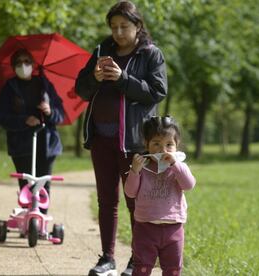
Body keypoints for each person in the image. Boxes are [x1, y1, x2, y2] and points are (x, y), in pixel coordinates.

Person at [75, 1, 168, 275]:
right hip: (101, 139)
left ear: (137, 26)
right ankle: (107, 258)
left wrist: (123, 78)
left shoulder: (151, 54)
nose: (118, 32)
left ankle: (136, 260)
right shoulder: (101, 51)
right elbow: (81, 89)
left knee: (135, 202)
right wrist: (93, 76)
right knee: (106, 200)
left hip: (134, 142)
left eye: (124, 27)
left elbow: (157, 92)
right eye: (114, 27)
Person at [124, 116, 196, 276]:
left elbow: (189, 185)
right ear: (146, 144)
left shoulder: (179, 166)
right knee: (141, 267)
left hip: (173, 228)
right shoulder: (143, 166)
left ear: (177, 146)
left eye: (169, 145)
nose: (162, 150)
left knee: (173, 269)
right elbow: (130, 192)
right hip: (145, 227)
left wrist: (175, 165)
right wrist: (134, 171)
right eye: (156, 143)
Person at [0, 48, 64, 214]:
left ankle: (40, 220)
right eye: (18, 63)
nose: (23, 65)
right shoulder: (9, 88)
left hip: (46, 142)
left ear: (33, 64)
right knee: (26, 183)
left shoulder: (45, 85)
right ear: (13, 67)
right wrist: (24, 120)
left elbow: (60, 114)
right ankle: (27, 217)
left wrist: (49, 111)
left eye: (27, 61)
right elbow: (1, 117)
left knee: (43, 184)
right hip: (21, 144)